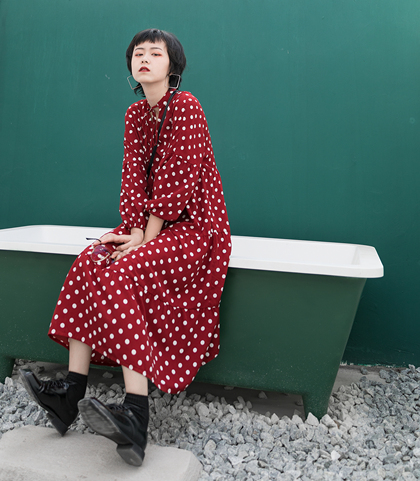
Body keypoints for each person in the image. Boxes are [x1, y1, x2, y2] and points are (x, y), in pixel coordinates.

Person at [19, 28, 231, 467]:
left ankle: (136, 414)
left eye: (156, 53)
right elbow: (132, 179)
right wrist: (132, 231)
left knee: (120, 270)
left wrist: (144, 240)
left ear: (173, 66)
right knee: (88, 261)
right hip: (147, 227)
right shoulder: (136, 114)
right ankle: (70, 393)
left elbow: (177, 183)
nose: (145, 58)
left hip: (193, 229)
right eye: (138, 53)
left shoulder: (186, 107)